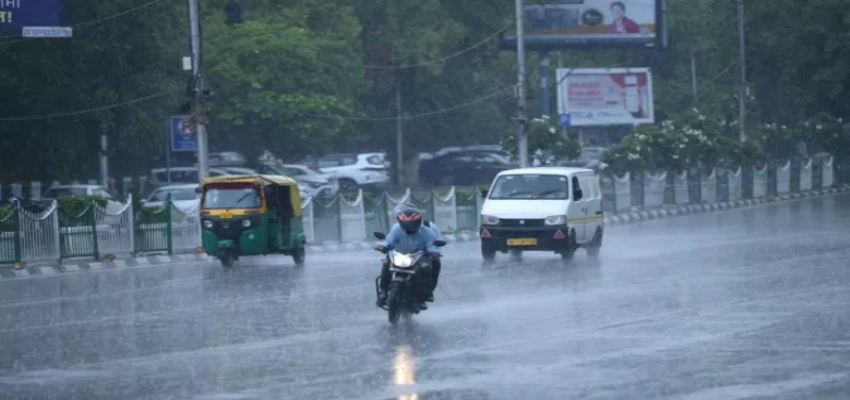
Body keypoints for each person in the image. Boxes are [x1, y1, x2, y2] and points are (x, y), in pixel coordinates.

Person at [375, 207, 441, 309]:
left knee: (433, 264)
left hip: (419, 257)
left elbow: (432, 245)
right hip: (399, 254)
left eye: (412, 225)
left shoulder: (427, 232)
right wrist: (383, 246)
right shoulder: (396, 229)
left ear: (418, 222)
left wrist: (434, 252)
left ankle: (426, 294)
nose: (409, 228)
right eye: (405, 225)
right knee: (386, 262)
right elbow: (389, 240)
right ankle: (383, 290)